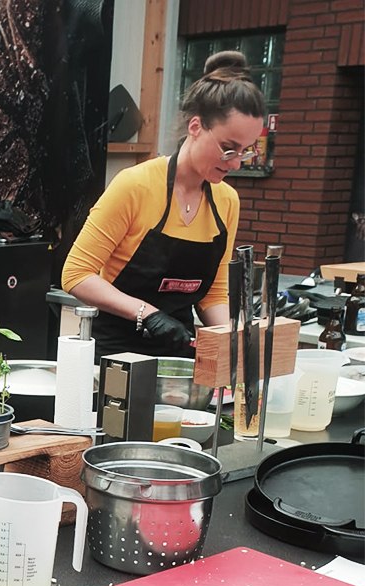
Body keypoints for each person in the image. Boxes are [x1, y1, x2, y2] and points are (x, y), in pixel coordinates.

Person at [61, 51, 266, 361]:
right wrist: (148, 313)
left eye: (246, 152)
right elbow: (76, 274)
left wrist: (231, 347)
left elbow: (213, 291)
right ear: (196, 127)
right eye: (228, 149)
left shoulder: (226, 202)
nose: (236, 163)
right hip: (116, 356)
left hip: (179, 357)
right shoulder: (135, 186)